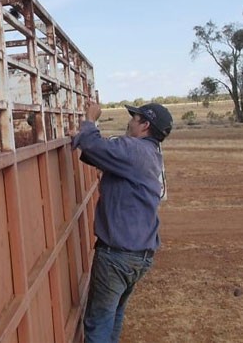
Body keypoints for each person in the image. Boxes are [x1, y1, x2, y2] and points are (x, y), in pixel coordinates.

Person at [73, 101, 173, 343]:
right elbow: (98, 153)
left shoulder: (134, 150)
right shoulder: (152, 155)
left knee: (98, 323)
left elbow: (92, 145)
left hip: (117, 256)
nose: (130, 121)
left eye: (135, 118)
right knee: (114, 314)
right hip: (140, 255)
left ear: (145, 125)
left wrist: (90, 119)